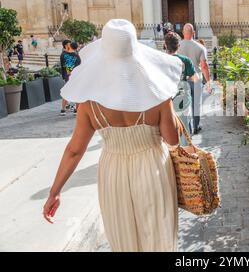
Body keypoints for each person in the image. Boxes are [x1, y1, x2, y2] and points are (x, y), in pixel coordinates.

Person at [43, 19, 183, 252]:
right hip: (153, 169)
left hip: (113, 172)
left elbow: (75, 150)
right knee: (160, 238)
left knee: (124, 240)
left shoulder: (89, 104)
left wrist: (55, 191)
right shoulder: (158, 94)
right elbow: (172, 140)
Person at [178, 23, 212, 135]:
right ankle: (196, 126)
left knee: (182, 104)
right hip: (196, 78)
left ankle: (185, 127)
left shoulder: (177, 46)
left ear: (183, 33)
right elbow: (204, 66)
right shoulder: (200, 47)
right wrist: (208, 82)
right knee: (196, 104)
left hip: (181, 79)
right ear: (194, 33)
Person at [165, 31, 198, 140]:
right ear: (178, 46)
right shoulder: (185, 60)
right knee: (185, 125)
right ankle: (186, 150)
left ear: (165, 45)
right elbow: (194, 78)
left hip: (165, 98)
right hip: (182, 97)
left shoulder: (159, 60)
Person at [60, 41, 81, 116]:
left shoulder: (63, 55)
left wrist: (63, 76)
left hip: (67, 76)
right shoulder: (77, 56)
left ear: (70, 46)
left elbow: (62, 67)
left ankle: (63, 110)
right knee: (77, 93)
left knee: (65, 92)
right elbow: (79, 68)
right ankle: (76, 110)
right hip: (75, 77)